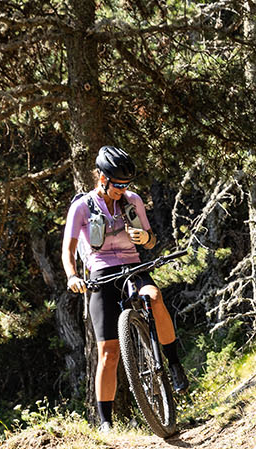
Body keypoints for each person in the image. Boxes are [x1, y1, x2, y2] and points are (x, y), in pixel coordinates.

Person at [61, 146, 189, 433]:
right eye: (117, 184)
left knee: (154, 298)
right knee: (108, 352)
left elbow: (151, 241)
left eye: (126, 185)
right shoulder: (81, 207)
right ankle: (105, 422)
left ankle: (174, 364)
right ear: (102, 178)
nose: (122, 189)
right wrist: (72, 276)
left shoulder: (132, 201)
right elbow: (67, 251)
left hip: (132, 267)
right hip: (101, 274)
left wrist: (145, 237)